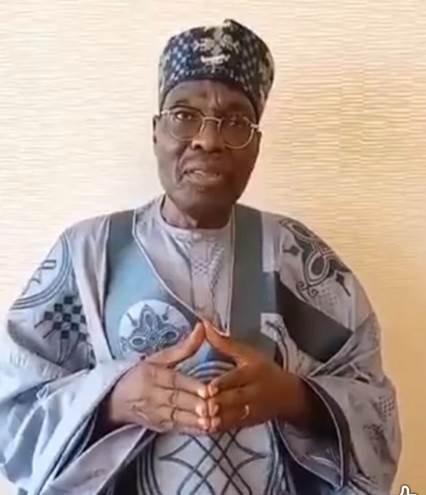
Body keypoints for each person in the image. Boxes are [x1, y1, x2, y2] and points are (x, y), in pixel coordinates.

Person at [0, 19, 400, 495]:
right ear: (156, 132)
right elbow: (13, 410)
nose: (208, 141)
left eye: (235, 122)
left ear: (255, 147)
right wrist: (112, 399)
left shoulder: (298, 259)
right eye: (184, 114)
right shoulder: (87, 255)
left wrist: (293, 398)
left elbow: (376, 413)